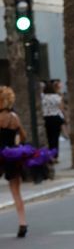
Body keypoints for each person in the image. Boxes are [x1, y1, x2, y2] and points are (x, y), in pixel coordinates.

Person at [0, 86, 28, 237]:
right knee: (16, 192)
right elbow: (23, 136)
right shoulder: (14, 117)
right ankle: (22, 223)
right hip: (12, 154)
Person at [41, 80, 66, 160]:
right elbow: (61, 108)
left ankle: (49, 155)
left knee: (48, 137)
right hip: (55, 118)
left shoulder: (42, 97)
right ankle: (55, 155)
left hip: (46, 118)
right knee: (55, 138)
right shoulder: (56, 97)